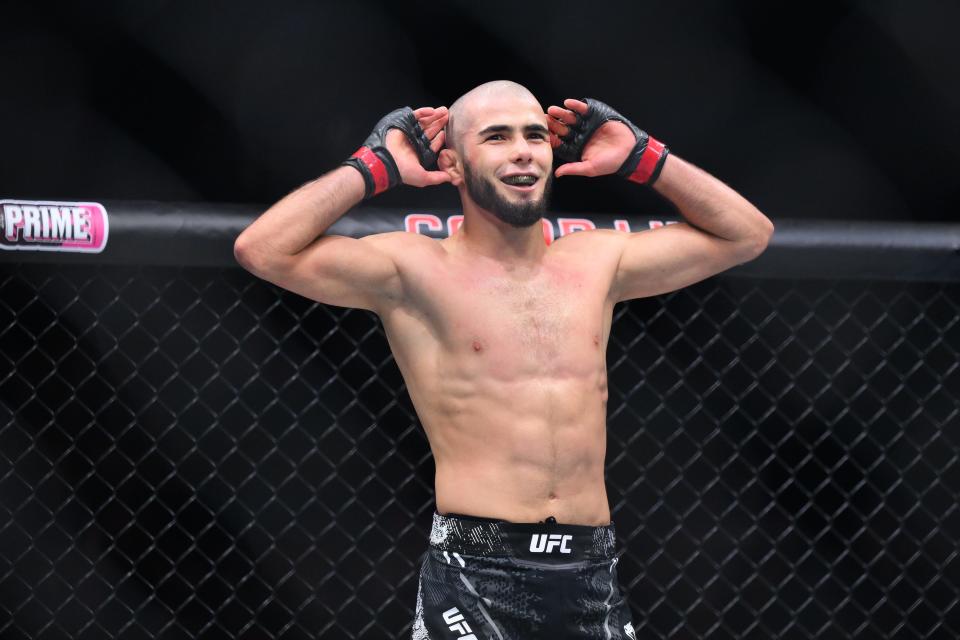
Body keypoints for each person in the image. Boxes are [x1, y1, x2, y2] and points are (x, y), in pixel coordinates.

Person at [234, 80, 774, 639]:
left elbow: (747, 235)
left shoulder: (599, 262)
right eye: (496, 137)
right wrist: (374, 166)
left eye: (535, 135)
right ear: (454, 165)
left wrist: (645, 157)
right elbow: (262, 249)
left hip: (591, 565)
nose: (523, 150)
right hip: (476, 567)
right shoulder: (414, 270)